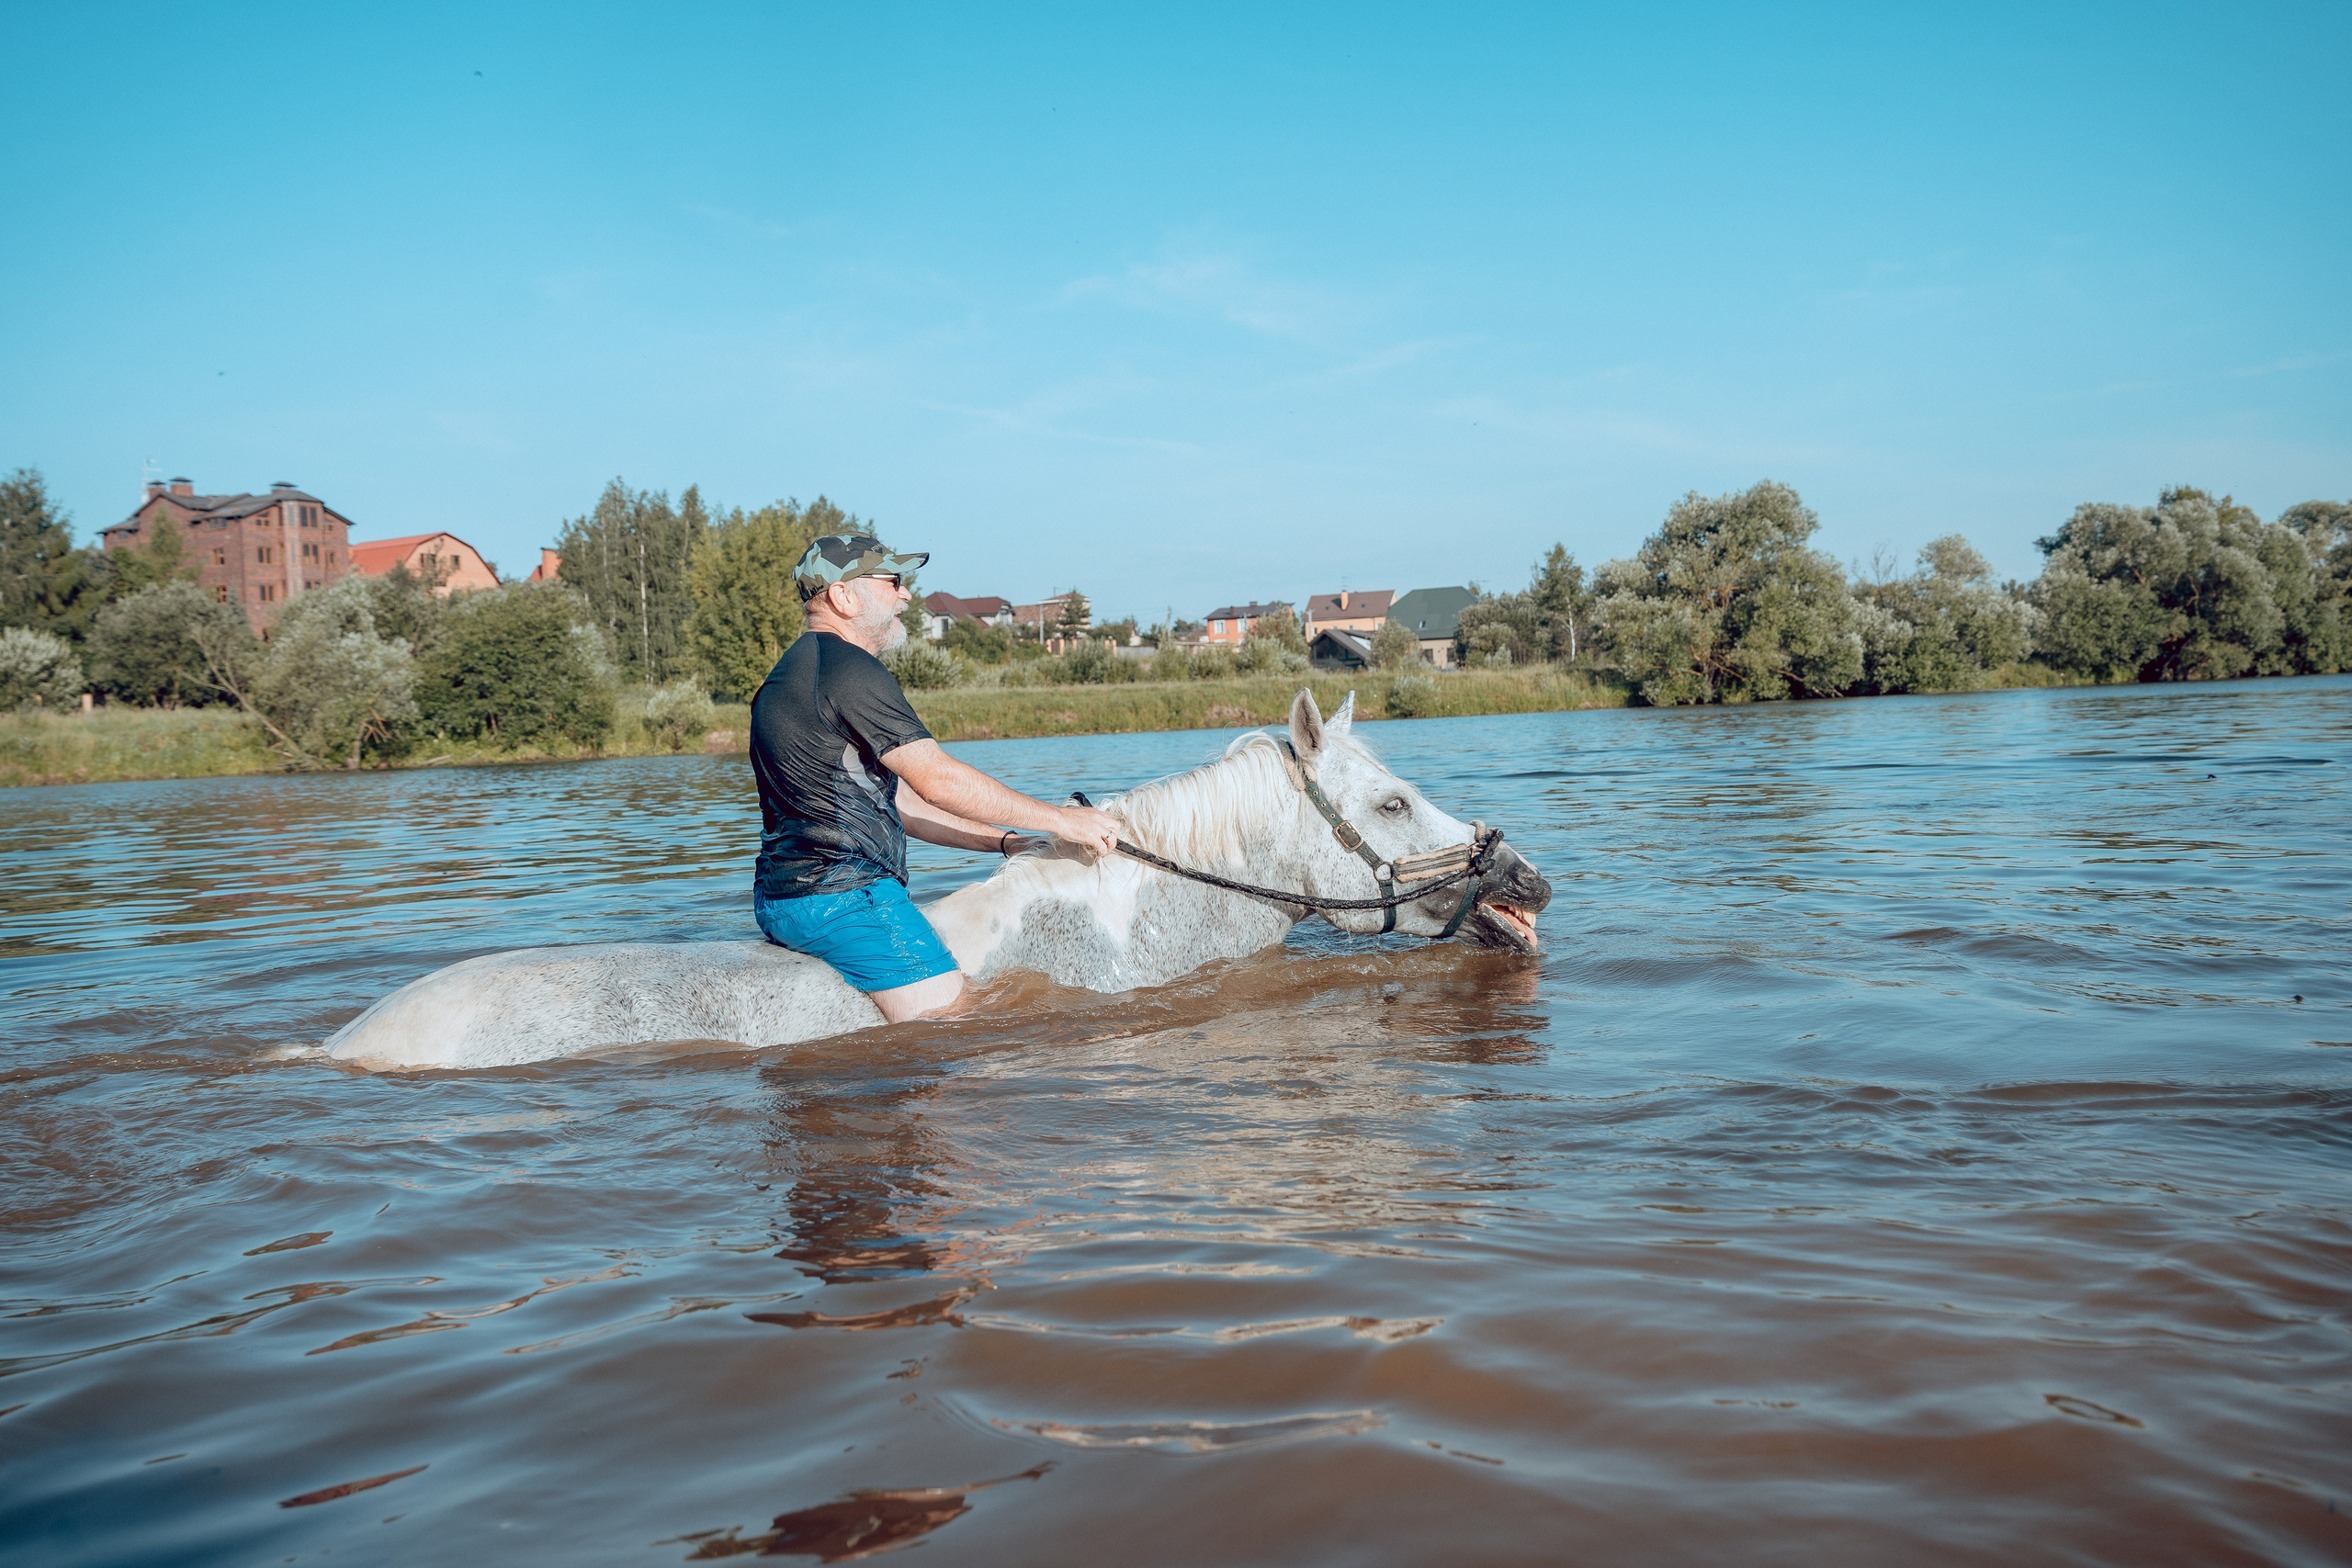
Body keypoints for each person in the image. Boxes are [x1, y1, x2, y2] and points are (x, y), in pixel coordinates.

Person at [748, 534, 1122, 1021]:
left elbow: (899, 802)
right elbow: (939, 781)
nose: (906, 595)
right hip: (845, 899)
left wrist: (1007, 843)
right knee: (960, 1028)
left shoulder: (785, 676)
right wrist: (1064, 822)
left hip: (781, 897)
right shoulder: (850, 670)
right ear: (843, 596)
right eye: (893, 582)